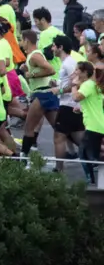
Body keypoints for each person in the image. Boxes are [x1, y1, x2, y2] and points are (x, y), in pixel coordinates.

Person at [19, 29, 58, 155]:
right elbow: (32, 78)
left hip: (42, 94)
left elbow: (51, 70)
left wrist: (30, 74)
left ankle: (23, 159)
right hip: (47, 94)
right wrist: (26, 72)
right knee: (60, 129)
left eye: (21, 40)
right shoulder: (32, 56)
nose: (20, 43)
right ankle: (91, 153)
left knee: (28, 128)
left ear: (27, 41)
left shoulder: (35, 55)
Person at [53, 35, 86, 171]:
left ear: (60, 47)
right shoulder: (66, 62)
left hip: (69, 105)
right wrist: (57, 84)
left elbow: (77, 81)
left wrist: (60, 90)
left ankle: (58, 169)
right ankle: (95, 159)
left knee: (58, 137)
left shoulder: (69, 63)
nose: (52, 48)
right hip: (71, 105)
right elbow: (69, 81)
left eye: (54, 45)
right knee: (81, 139)